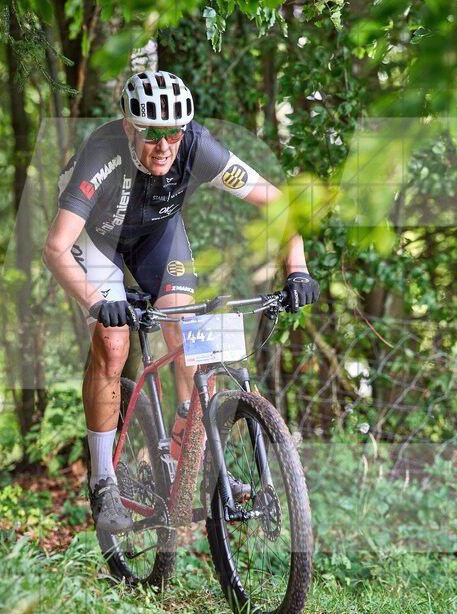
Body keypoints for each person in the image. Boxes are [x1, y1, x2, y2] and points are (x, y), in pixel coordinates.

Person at [43, 71, 319, 533]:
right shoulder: (102, 155)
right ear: (129, 128)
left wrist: (298, 269)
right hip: (95, 237)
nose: (164, 146)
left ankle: (184, 461)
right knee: (113, 343)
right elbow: (55, 248)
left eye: (173, 133)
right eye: (152, 134)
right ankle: (104, 480)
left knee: (189, 335)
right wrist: (96, 303)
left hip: (156, 232)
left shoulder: (198, 147)